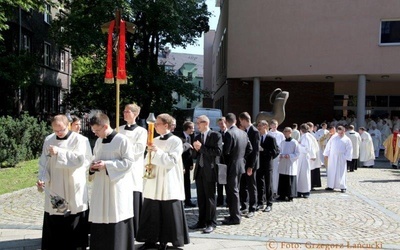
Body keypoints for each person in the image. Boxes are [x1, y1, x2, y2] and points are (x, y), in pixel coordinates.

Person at [37, 114, 92, 250]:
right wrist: (42, 179)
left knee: (74, 215)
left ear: (68, 125)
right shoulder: (49, 139)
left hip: (73, 184)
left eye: (61, 130)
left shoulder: (80, 140)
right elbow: (44, 163)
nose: (59, 133)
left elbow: (81, 160)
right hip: (55, 184)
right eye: (55, 130)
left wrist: (60, 152)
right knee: (55, 217)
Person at [137, 113, 189, 250]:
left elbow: (171, 161)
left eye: (157, 124)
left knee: (167, 212)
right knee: (151, 211)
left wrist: (156, 152)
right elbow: (147, 159)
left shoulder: (176, 141)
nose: (154, 127)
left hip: (168, 180)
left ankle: (165, 241)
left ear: (166, 125)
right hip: (154, 179)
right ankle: (150, 240)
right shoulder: (153, 139)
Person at [88, 111, 135, 250]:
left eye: (97, 130)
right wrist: (92, 167)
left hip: (116, 186)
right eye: (93, 130)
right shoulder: (98, 141)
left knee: (116, 215)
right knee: (99, 217)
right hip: (100, 186)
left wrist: (107, 165)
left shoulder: (122, 140)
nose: (95, 133)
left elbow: (129, 162)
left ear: (105, 126)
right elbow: (94, 158)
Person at [190, 115, 222, 233]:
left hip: (210, 170)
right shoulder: (198, 136)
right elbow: (195, 156)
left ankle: (211, 222)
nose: (197, 125)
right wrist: (195, 149)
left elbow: (218, 152)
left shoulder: (215, 135)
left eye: (198, 123)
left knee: (210, 198)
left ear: (205, 123)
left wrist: (201, 148)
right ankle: (201, 221)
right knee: (201, 198)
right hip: (199, 170)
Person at [119, 103, 148, 236]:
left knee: (133, 198)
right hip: (120, 168)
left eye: (128, 111)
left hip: (133, 169)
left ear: (135, 114)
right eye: (124, 111)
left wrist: (124, 148)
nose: (125, 113)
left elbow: (138, 149)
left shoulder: (141, 131)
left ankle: (135, 229)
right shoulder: (118, 129)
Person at [222, 113, 252, 225]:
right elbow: (250, 148)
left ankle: (235, 217)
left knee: (232, 191)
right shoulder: (243, 133)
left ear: (226, 122)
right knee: (235, 190)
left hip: (232, 165)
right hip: (240, 165)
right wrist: (242, 158)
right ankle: (234, 214)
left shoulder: (229, 133)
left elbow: (226, 152)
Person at [238, 112, 260, 218]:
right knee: (243, 185)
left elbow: (255, 151)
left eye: (241, 121)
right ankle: (244, 205)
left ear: (244, 120)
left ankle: (252, 207)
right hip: (244, 163)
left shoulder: (254, 132)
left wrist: (251, 166)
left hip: (251, 164)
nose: (240, 123)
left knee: (252, 186)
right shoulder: (244, 131)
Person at [256, 120, 279, 212]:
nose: (258, 128)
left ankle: (269, 203)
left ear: (265, 126)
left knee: (268, 184)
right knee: (259, 183)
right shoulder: (258, 137)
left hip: (268, 164)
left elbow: (276, 152)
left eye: (260, 126)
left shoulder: (271, 138)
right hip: (259, 164)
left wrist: (264, 150)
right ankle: (260, 202)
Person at [323, 126, 353, 193]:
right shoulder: (333, 138)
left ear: (344, 131)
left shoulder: (347, 139)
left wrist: (346, 157)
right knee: (331, 171)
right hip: (332, 157)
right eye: (339, 133)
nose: (340, 134)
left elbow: (349, 149)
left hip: (341, 157)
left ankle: (342, 186)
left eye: (341, 133)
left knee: (341, 172)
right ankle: (331, 185)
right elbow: (328, 146)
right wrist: (326, 154)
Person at [277, 127, 299, 201]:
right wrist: (280, 155)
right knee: (282, 178)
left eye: (286, 131)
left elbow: (297, 153)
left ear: (290, 132)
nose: (285, 133)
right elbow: (279, 150)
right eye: (284, 131)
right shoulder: (282, 142)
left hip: (290, 163)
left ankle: (290, 195)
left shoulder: (294, 142)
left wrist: (289, 156)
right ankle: (282, 195)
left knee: (290, 179)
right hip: (283, 162)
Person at [177, 121, 196, 207]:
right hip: (181, 165)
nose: (193, 130)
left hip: (188, 164)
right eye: (192, 128)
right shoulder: (179, 138)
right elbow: (179, 154)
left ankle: (188, 200)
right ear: (188, 128)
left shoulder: (191, 137)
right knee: (181, 182)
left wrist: (191, 163)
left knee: (187, 182)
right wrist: (183, 166)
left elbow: (190, 152)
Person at [296, 123, 315, 198]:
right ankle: (300, 190)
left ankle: (306, 191)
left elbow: (307, 149)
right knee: (300, 174)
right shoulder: (304, 136)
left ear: (301, 130)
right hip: (301, 157)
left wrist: (298, 144)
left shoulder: (306, 137)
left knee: (304, 174)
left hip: (304, 157)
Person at [268, 119, 285, 197]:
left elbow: (283, 145)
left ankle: (276, 190)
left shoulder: (280, 134)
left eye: (275, 125)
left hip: (278, 156)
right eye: (273, 125)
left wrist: (281, 153)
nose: (274, 127)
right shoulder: (268, 133)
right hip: (270, 155)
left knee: (276, 173)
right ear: (270, 125)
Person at [216, 116, 228, 206]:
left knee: (228, 183)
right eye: (219, 124)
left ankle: (228, 200)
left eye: (222, 123)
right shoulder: (218, 134)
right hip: (220, 161)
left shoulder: (230, 133)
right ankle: (220, 201)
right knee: (220, 182)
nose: (221, 125)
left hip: (228, 161)